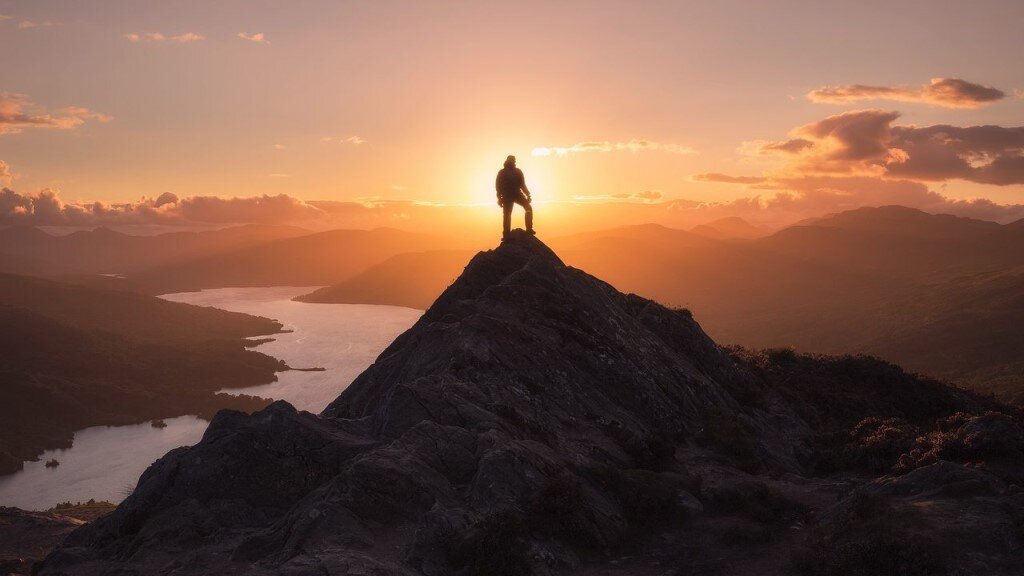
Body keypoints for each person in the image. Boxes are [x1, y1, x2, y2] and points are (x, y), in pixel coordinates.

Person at [495, 155, 534, 238]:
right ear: (508, 161)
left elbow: (522, 184)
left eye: (514, 160)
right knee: (507, 214)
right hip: (508, 196)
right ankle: (506, 235)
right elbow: (498, 186)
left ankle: (529, 229)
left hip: (516, 194)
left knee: (528, 208)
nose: (513, 162)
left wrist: (528, 194)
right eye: (512, 160)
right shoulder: (502, 172)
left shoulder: (517, 171)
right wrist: (499, 198)